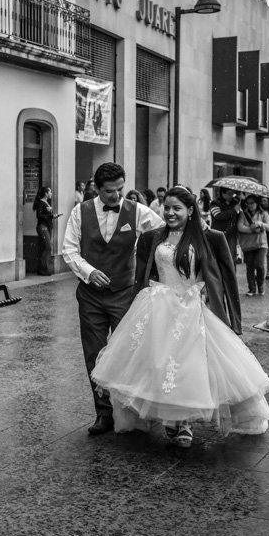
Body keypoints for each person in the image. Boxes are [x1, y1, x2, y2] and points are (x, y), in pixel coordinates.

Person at [91, 186, 269, 448]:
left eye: (177, 208)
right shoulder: (153, 236)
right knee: (158, 363)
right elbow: (143, 272)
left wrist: (223, 307)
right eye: (167, 207)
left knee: (190, 365)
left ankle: (184, 421)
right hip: (159, 307)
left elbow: (226, 277)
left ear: (190, 210)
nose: (170, 213)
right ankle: (169, 417)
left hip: (193, 307)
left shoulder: (210, 237)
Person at [62, 162, 164, 435]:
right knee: (94, 355)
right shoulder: (80, 212)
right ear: (97, 188)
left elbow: (166, 231)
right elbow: (69, 250)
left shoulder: (138, 211)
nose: (116, 196)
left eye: (120, 189)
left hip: (124, 294)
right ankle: (104, 414)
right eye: (109, 191)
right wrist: (89, 271)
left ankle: (131, 412)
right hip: (90, 297)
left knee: (128, 354)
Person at [237, 195, 269, 296]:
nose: (250, 205)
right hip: (248, 244)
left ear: (257, 203)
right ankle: (252, 288)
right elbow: (240, 227)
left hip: (261, 243)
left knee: (260, 265)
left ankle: (260, 284)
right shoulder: (243, 214)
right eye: (248, 203)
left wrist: (259, 224)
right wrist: (252, 229)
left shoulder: (263, 213)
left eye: (252, 203)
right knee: (250, 266)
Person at [34, 186, 63, 276]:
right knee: (48, 247)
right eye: (50, 192)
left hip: (47, 226)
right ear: (46, 193)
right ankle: (42, 268)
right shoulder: (41, 202)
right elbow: (39, 215)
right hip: (43, 227)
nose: (51, 194)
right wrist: (51, 216)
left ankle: (43, 268)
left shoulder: (47, 202)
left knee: (45, 248)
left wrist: (53, 215)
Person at [209, 188, 241, 264]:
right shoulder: (215, 203)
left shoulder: (235, 202)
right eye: (229, 194)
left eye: (232, 194)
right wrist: (233, 211)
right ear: (223, 193)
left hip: (231, 233)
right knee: (218, 257)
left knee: (231, 257)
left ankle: (231, 271)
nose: (231, 196)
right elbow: (218, 215)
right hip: (218, 233)